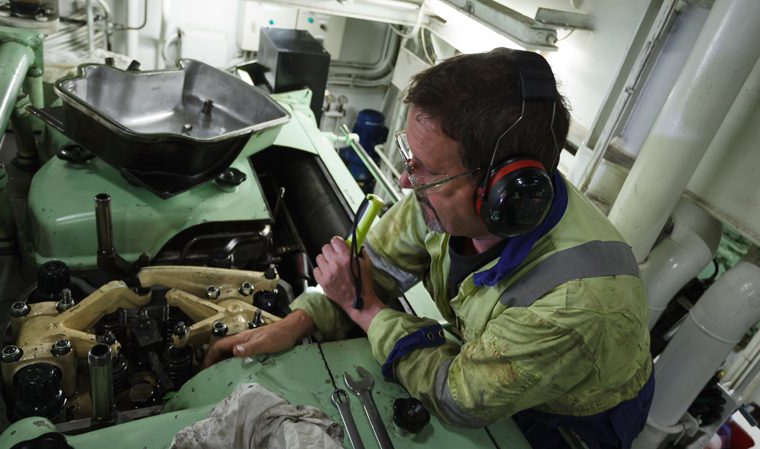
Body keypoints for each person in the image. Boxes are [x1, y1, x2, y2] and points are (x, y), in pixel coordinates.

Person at [204, 48, 653, 449]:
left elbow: (458, 396)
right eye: (410, 158)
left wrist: (367, 311)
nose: (406, 180)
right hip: (490, 360)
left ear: (500, 193)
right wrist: (298, 322)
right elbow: (373, 269)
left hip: (564, 420)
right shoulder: (439, 199)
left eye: (427, 170)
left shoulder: (577, 303)